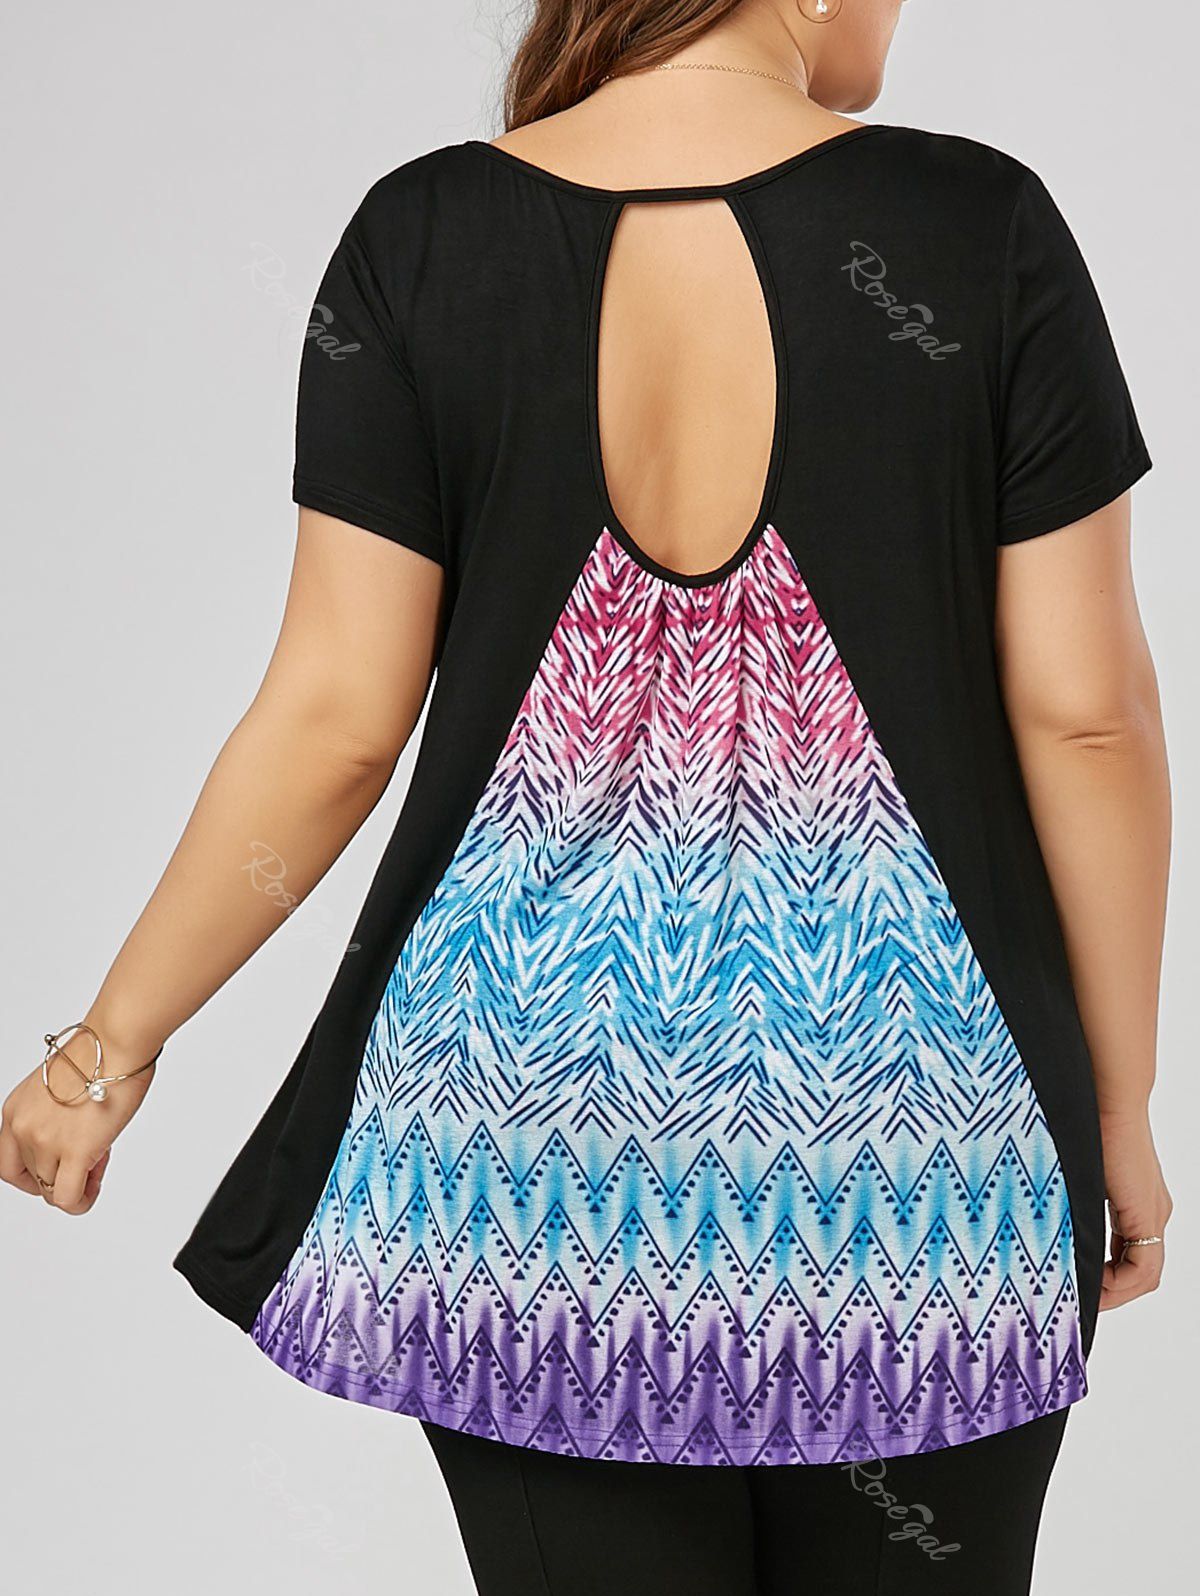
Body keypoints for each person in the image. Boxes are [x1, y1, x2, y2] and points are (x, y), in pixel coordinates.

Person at [1, 2, 1172, 1592]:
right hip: (927, 1167)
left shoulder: (423, 237)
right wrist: (1113, 1113)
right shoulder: (980, 227)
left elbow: (334, 722)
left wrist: (107, 1046)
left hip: (524, 1171)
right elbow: (1086, 719)